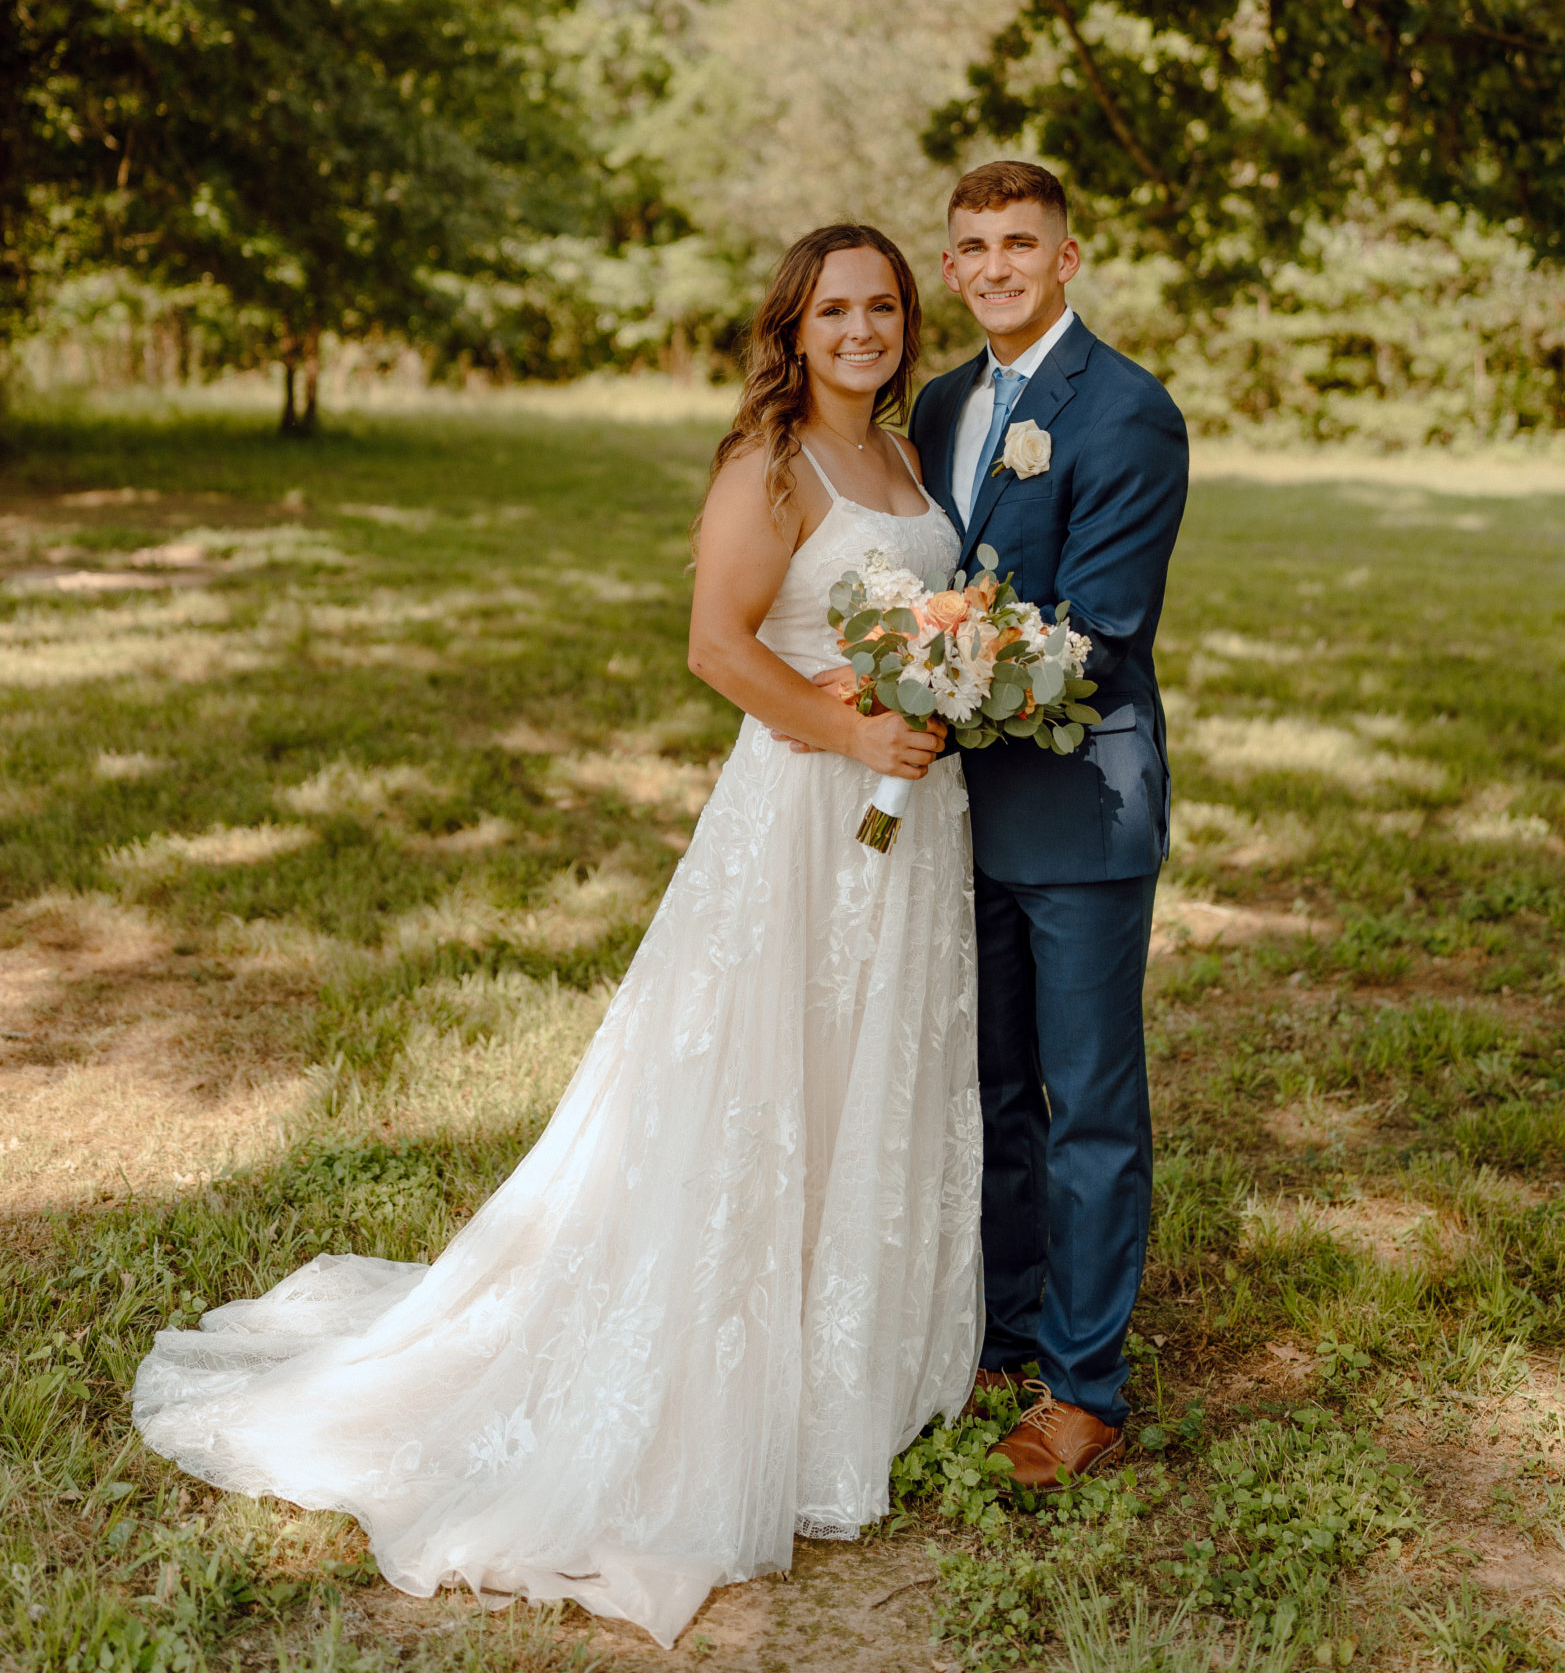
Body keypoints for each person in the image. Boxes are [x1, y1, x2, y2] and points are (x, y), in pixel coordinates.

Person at [132, 224, 980, 1653]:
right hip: (802, 816)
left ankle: (848, 1382)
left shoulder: (907, 460)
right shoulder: (769, 465)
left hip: (904, 829)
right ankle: (718, 1384)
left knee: (866, 1079)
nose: (862, 328)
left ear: (907, 321)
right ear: (793, 323)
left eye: (883, 305)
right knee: (757, 1096)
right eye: (835, 307)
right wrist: (856, 729)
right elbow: (718, 647)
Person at [910, 161, 1188, 1487]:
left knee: (1087, 1108)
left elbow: (1101, 632)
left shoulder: (1129, 412)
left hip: (1077, 809)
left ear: (1069, 258)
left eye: (1023, 241)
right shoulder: (942, 403)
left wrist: (928, 683)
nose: (998, 264)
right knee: (989, 1092)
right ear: (952, 268)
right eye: (974, 246)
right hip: (957, 814)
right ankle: (1006, 1335)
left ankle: (1085, 1386)